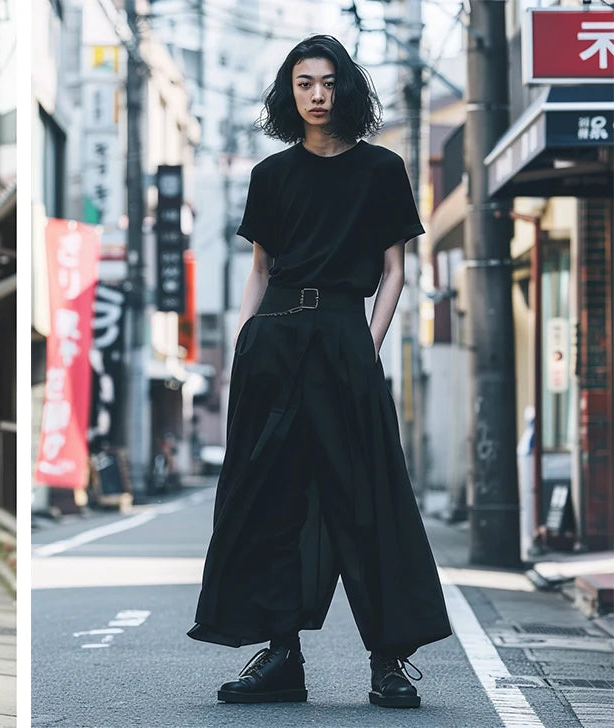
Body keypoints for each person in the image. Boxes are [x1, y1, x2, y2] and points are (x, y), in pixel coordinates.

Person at [187, 35, 452, 710]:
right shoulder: (270, 176)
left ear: (346, 90)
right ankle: (281, 656)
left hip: (342, 337)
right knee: (268, 499)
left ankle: (387, 660)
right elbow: (260, 273)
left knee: (367, 499)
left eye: (328, 82)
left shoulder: (380, 170)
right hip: (273, 341)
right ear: (289, 92)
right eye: (304, 82)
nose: (316, 94)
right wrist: (243, 347)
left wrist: (367, 345)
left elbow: (394, 272)